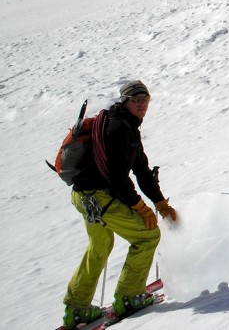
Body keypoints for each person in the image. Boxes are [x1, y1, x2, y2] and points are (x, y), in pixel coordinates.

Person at [62, 80, 178, 330]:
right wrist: (140, 207)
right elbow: (116, 178)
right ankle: (129, 297)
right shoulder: (118, 128)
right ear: (125, 101)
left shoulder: (125, 126)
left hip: (83, 196)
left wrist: (159, 202)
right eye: (137, 100)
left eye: (145, 100)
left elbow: (141, 170)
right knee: (147, 236)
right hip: (101, 196)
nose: (142, 105)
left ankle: (77, 308)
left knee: (100, 244)